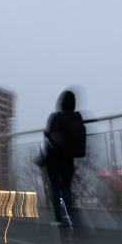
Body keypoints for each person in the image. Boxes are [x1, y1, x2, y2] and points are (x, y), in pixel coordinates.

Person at [40, 90, 85, 227]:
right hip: (69, 158)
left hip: (54, 159)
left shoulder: (56, 117)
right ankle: (69, 215)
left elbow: (49, 134)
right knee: (66, 187)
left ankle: (58, 219)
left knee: (55, 188)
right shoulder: (77, 118)